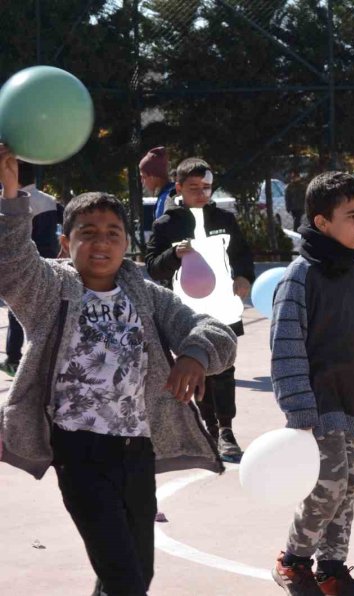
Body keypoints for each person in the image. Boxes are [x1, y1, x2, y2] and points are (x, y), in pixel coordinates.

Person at [0, 146, 237, 596]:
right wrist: (11, 196)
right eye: (88, 232)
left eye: (113, 232)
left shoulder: (145, 295)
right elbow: (11, 265)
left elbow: (212, 329)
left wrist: (195, 354)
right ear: (66, 244)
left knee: (132, 575)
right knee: (124, 580)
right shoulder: (51, 290)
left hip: (136, 454)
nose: (103, 241)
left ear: (128, 242)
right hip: (80, 454)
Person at [270, 172, 354, 596]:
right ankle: (293, 560)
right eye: (351, 215)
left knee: (351, 481)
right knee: (327, 484)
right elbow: (285, 344)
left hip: (352, 397)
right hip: (317, 402)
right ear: (321, 223)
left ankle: (331, 570)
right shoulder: (300, 275)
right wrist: (298, 405)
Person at [145, 157, 255, 462]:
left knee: (226, 370)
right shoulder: (166, 224)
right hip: (187, 314)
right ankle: (208, 428)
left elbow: (242, 254)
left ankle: (226, 431)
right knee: (199, 370)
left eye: (207, 187)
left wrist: (244, 276)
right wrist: (173, 254)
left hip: (224, 309)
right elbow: (153, 267)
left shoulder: (225, 218)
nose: (202, 193)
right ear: (178, 187)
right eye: (194, 187)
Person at [0, 161, 64, 376]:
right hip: (51, 261)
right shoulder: (49, 200)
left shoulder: (15, 202)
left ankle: (13, 357)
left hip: (26, 260)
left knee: (16, 312)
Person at [139, 146, 176, 221]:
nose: (142, 181)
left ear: (153, 176)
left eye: (144, 176)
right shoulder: (174, 192)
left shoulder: (164, 200)